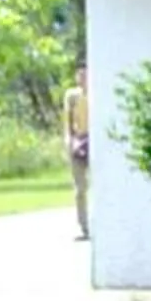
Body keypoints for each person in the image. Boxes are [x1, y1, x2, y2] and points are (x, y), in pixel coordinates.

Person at [62, 70, 90, 240]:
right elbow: (67, 120)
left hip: (94, 141)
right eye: (80, 75)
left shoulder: (98, 92)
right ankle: (83, 226)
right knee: (80, 188)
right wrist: (68, 140)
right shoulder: (72, 96)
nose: (82, 79)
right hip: (79, 142)